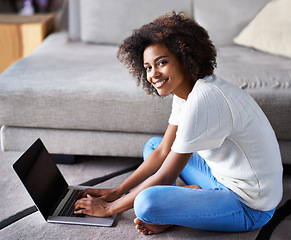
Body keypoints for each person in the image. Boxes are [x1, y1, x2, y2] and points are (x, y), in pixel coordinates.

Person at [74, 12, 283, 235]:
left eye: (161, 63)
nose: (153, 74)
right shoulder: (185, 93)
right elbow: (164, 150)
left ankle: (175, 209)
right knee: (154, 147)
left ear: (184, 58)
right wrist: (117, 191)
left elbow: (166, 175)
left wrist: (109, 208)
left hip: (250, 205)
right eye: (147, 67)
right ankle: (184, 204)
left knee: (146, 203)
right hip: (221, 177)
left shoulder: (205, 98)